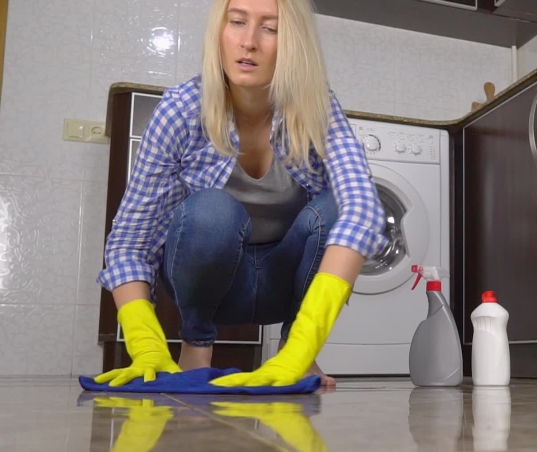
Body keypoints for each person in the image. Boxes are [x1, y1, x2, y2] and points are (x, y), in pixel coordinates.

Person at [93, 0, 387, 388]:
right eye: (237, 22)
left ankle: (296, 354)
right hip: (217, 286)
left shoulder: (316, 107)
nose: (249, 42)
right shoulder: (181, 110)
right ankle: (195, 345)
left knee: (338, 207)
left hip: (285, 279)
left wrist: (304, 345)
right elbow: (128, 245)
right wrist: (145, 344)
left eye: (270, 28)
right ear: (220, 30)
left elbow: (363, 211)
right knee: (210, 210)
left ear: (293, 42)